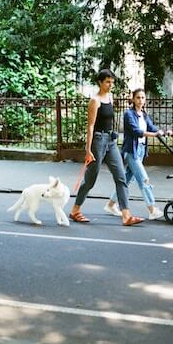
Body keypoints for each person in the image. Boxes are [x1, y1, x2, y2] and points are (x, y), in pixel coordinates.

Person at [69, 69, 144, 226]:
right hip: (98, 141)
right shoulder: (95, 101)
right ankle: (75, 210)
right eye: (108, 82)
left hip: (110, 141)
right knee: (91, 179)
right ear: (100, 82)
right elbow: (90, 126)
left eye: (112, 82)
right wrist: (88, 150)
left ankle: (126, 215)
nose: (111, 85)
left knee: (121, 177)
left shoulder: (109, 98)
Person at [104, 88, 171, 220]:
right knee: (144, 179)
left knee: (126, 180)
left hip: (140, 150)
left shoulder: (144, 114)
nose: (141, 100)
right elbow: (136, 131)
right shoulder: (129, 114)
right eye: (138, 98)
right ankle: (152, 209)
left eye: (143, 98)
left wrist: (163, 131)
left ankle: (111, 204)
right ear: (133, 99)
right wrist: (154, 134)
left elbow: (151, 127)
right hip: (131, 152)